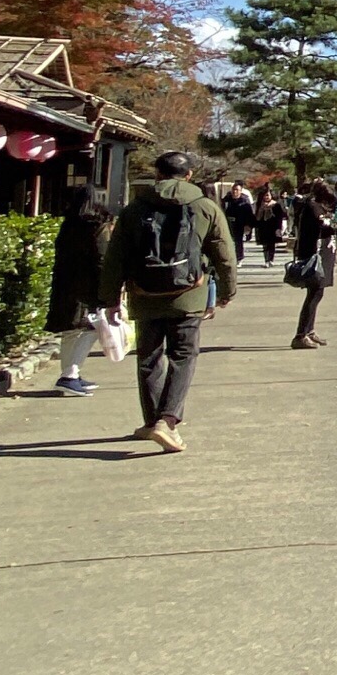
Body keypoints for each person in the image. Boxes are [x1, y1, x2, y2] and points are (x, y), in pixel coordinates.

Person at [99, 151, 237, 452]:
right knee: (183, 356)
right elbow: (224, 253)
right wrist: (228, 290)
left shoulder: (135, 209)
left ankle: (152, 421)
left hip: (144, 293)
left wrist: (110, 297)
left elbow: (115, 258)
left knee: (149, 357)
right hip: (188, 295)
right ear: (188, 175)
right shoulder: (204, 206)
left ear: (158, 174)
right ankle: (168, 420)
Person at [47, 186, 114, 397]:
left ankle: (71, 373)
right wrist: (111, 286)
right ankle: (70, 375)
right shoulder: (97, 226)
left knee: (71, 330)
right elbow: (101, 258)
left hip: (66, 283)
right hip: (88, 287)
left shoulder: (69, 224)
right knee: (89, 329)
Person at [290, 178, 337, 350]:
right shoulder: (312, 207)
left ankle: (309, 331)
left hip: (323, 255)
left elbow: (330, 224)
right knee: (314, 294)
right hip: (314, 255)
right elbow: (327, 226)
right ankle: (301, 335)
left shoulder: (316, 207)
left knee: (317, 294)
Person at [221, 181, 256, 263]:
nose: (235, 191)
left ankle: (239, 257)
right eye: (233, 189)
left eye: (237, 190)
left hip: (240, 224)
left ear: (240, 191)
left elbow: (250, 214)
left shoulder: (244, 201)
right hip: (228, 223)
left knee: (238, 241)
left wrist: (248, 226)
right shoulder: (226, 200)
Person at [253, 186, 287, 266]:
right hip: (263, 227)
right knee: (265, 245)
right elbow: (256, 217)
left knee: (271, 244)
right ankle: (266, 260)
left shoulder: (276, 205)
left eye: (268, 195)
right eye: (265, 195)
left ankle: (271, 259)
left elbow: (280, 217)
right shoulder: (260, 205)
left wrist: (279, 228)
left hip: (273, 227)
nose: (266, 197)